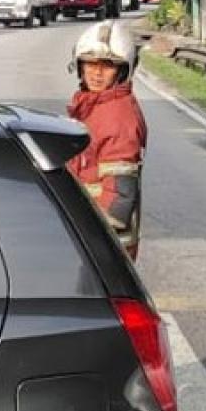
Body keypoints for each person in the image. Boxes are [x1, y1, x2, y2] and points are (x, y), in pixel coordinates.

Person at [67, 20, 147, 259]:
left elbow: (118, 201)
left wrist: (87, 235)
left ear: (122, 71)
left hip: (103, 243)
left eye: (107, 66)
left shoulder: (118, 118)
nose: (97, 73)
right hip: (93, 233)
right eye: (90, 63)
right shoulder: (94, 105)